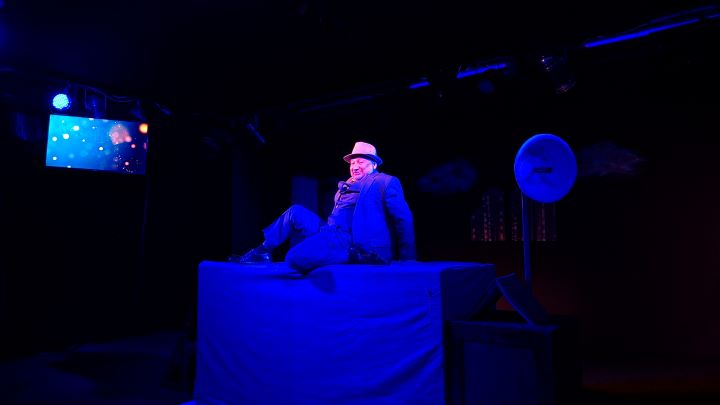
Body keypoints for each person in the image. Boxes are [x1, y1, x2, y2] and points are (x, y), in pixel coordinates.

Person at [229, 141, 416, 273]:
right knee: (295, 212)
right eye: (352, 162)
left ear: (373, 164)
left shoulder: (384, 182)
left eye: (360, 161)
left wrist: (408, 259)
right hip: (329, 231)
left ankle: (340, 257)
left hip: (350, 240)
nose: (354, 166)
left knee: (296, 257)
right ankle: (261, 252)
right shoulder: (345, 186)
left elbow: (403, 218)